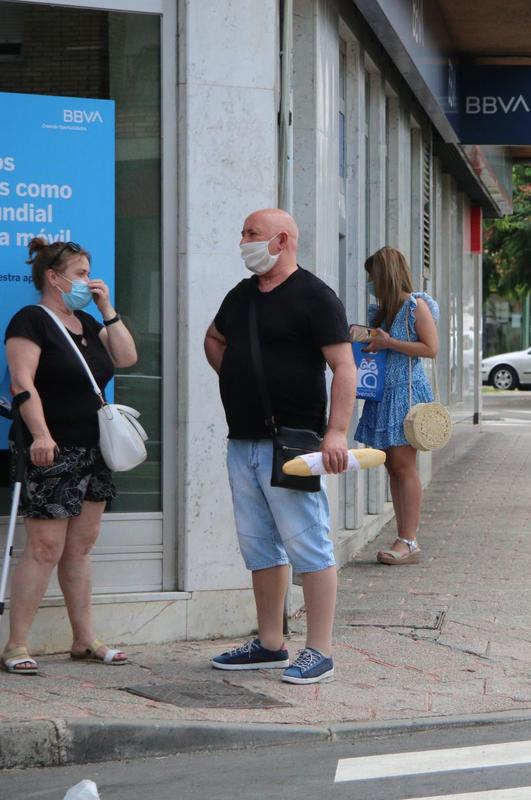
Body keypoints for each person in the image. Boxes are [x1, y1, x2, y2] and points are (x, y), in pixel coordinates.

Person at [204, 209, 356, 684]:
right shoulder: (242, 295)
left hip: (292, 441)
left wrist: (335, 432)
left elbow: (344, 369)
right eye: (243, 231)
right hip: (243, 440)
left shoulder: (315, 296)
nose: (243, 240)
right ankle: (269, 643)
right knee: (259, 546)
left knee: (309, 542)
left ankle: (320, 649)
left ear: (282, 239)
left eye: (252, 234)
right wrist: (237, 375)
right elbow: (214, 338)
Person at [0, 238, 139, 674]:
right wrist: (40, 434)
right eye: (80, 274)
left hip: (94, 447)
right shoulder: (31, 320)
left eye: (88, 272)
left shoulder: (84, 320)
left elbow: (127, 356)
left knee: (81, 545)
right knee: (44, 546)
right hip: (52, 446)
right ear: (53, 278)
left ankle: (84, 639)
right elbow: (22, 382)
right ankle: (16, 645)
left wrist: (107, 309)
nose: (88, 281)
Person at [354, 247, 439, 566]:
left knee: (404, 467)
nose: (370, 282)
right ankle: (404, 536)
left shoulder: (414, 306)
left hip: (405, 394)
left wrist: (389, 342)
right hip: (383, 393)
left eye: (372, 275)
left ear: (385, 274)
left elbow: (431, 348)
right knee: (393, 467)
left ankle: (409, 539)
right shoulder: (383, 309)